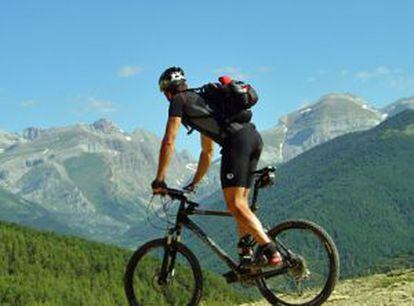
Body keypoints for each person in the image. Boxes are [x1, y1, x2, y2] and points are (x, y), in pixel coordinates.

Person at [151, 66, 282, 266]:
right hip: (253, 138)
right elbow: (207, 152)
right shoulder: (201, 101)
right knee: (240, 205)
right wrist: (194, 182)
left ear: (167, 92)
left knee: (235, 204)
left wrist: (159, 179)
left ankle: (271, 250)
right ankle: (246, 258)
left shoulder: (178, 101)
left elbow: (169, 140)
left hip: (237, 143)